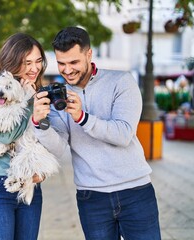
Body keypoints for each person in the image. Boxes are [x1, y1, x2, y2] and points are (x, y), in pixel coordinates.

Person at [32, 26, 161, 239]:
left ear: (89, 54)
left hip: (135, 192)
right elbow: (58, 146)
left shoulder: (122, 81)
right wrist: (40, 123)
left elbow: (123, 134)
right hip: (91, 197)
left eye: (73, 62)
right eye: (61, 63)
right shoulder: (60, 96)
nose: (67, 70)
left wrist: (83, 117)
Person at [0, 32, 47, 240]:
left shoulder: (38, 91)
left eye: (38, 61)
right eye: (27, 62)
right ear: (13, 60)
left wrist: (43, 172)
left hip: (30, 183)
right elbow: (6, 137)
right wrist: (27, 102)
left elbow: (47, 136)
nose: (34, 68)